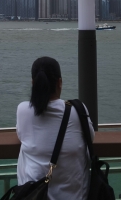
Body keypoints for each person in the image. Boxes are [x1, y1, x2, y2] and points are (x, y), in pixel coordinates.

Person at [16, 57, 95, 199]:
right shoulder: (78, 111)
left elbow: (21, 135)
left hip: (33, 196)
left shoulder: (23, 110)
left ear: (33, 83)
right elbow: (91, 137)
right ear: (60, 82)